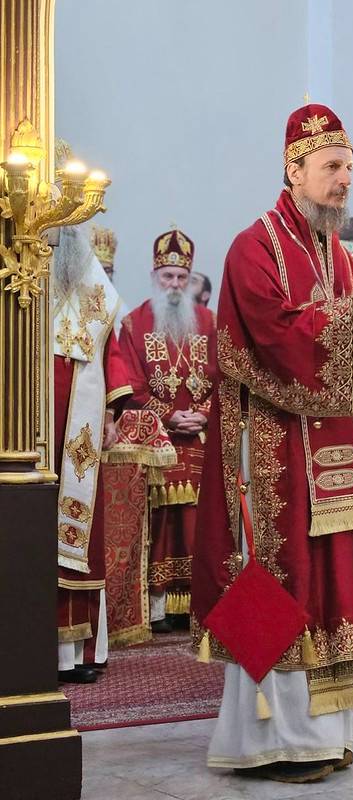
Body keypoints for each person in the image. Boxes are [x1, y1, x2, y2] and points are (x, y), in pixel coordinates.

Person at [191, 103, 353, 783]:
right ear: (295, 169)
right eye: (332, 166)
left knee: (332, 586)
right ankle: (271, 742)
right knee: (281, 583)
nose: (345, 179)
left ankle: (324, 735)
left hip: (328, 457)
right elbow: (272, 341)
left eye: (349, 167)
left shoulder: (335, 254)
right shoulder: (252, 246)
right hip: (270, 450)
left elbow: (347, 356)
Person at [119, 229, 216, 633]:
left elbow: (226, 378)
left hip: (202, 440)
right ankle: (159, 607)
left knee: (199, 522)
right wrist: (170, 415)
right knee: (162, 524)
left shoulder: (210, 322)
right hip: (156, 440)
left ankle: (194, 606)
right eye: (168, 277)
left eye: (182, 278)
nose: (175, 285)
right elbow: (130, 385)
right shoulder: (133, 323)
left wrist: (205, 413)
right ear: (155, 277)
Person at [54, 226, 132, 683]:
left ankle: (76, 653)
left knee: (77, 536)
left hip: (76, 432)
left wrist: (109, 414)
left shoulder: (94, 288)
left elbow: (112, 354)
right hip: (23, 430)